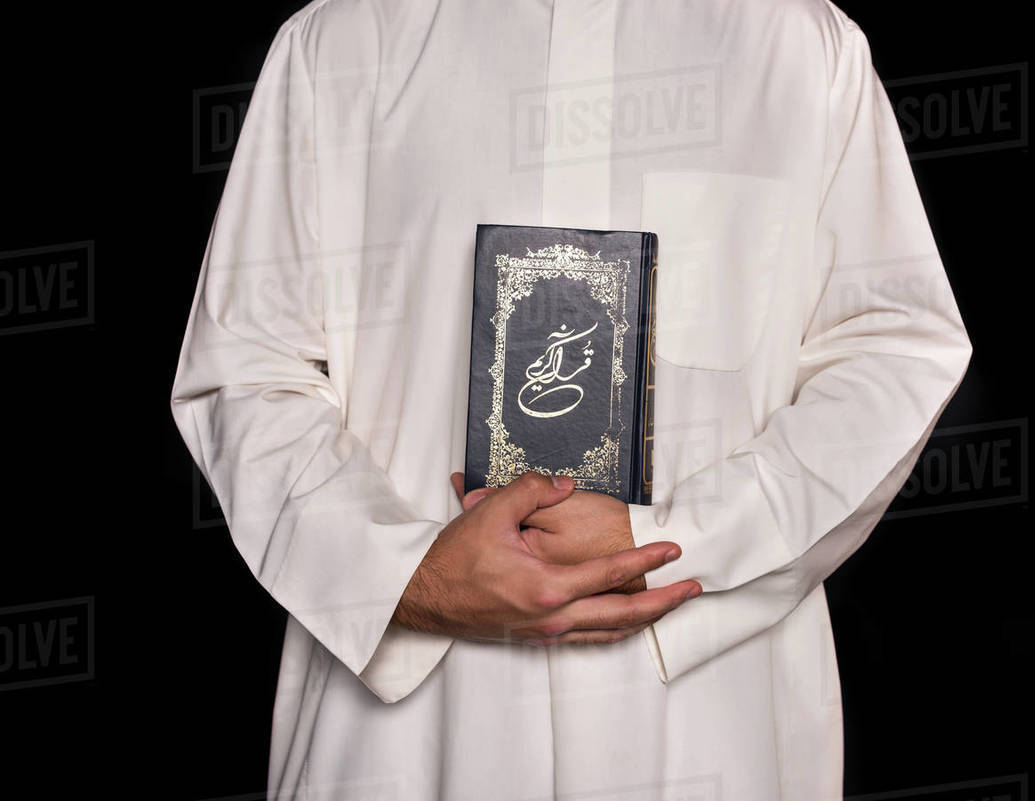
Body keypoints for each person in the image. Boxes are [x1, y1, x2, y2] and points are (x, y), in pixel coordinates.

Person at [170, 0, 972, 798]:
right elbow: (245, 370)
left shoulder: (798, 48)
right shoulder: (339, 44)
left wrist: (678, 540)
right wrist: (408, 576)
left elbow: (894, 352)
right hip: (403, 738)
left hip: (708, 726)